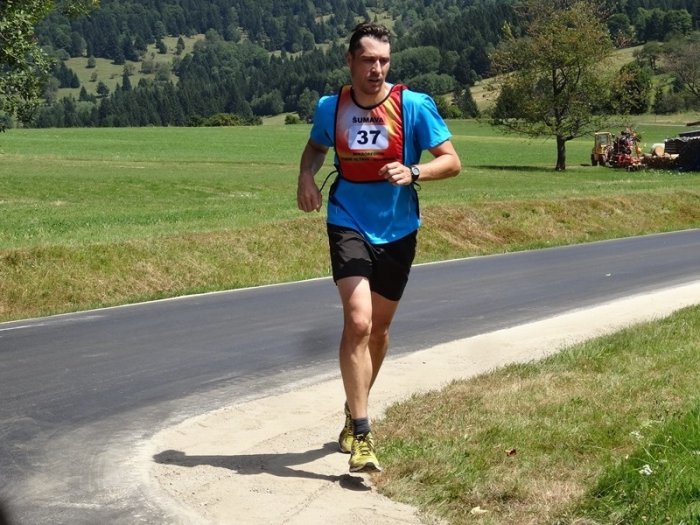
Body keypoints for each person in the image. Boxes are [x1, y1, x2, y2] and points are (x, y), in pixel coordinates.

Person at [296, 22, 461, 473]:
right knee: (358, 321)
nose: (377, 69)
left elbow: (452, 161)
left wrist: (415, 171)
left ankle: (354, 408)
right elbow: (315, 148)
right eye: (368, 60)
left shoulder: (413, 105)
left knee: (380, 331)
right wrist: (306, 176)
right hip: (347, 218)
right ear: (349, 61)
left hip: (398, 227)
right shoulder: (331, 108)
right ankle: (364, 433)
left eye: (384, 61)